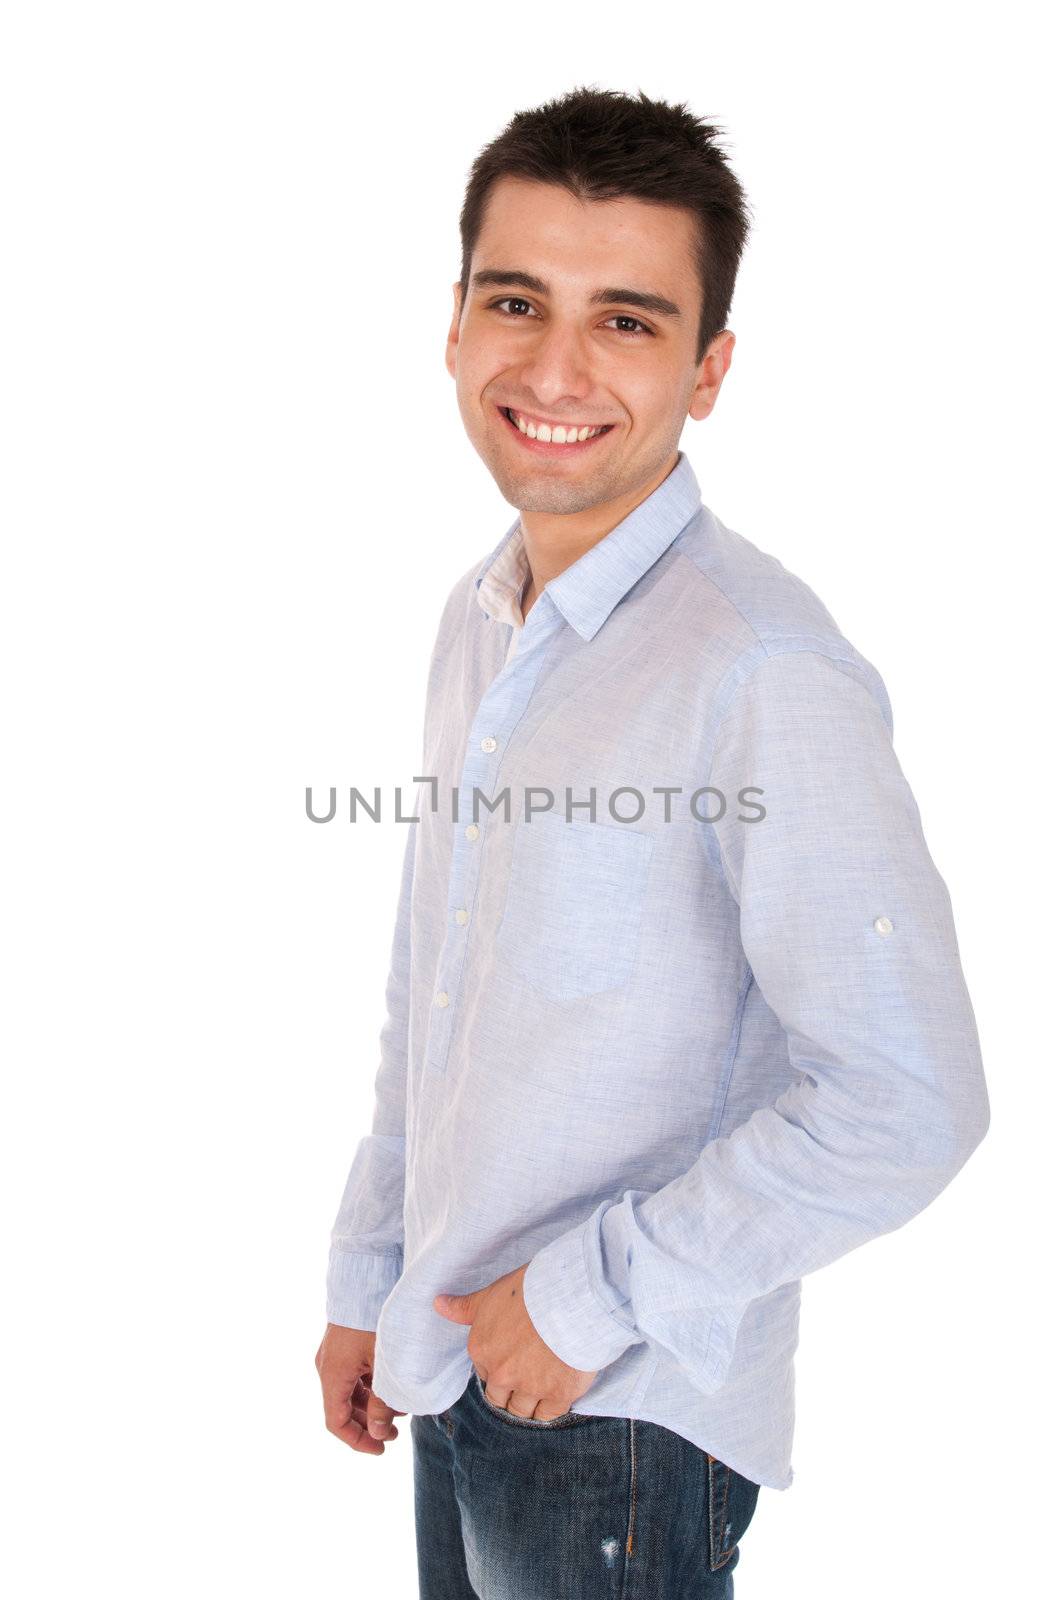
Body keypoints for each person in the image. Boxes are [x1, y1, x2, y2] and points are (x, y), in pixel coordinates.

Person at [314, 86, 990, 1598]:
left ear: (710, 370)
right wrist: (377, 1279)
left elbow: (911, 1094)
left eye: (625, 320)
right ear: (455, 324)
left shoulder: (761, 668)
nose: (554, 367)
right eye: (516, 301)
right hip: (458, 1363)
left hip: (617, 1410)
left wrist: (588, 1296)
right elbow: (439, 1000)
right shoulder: (481, 621)